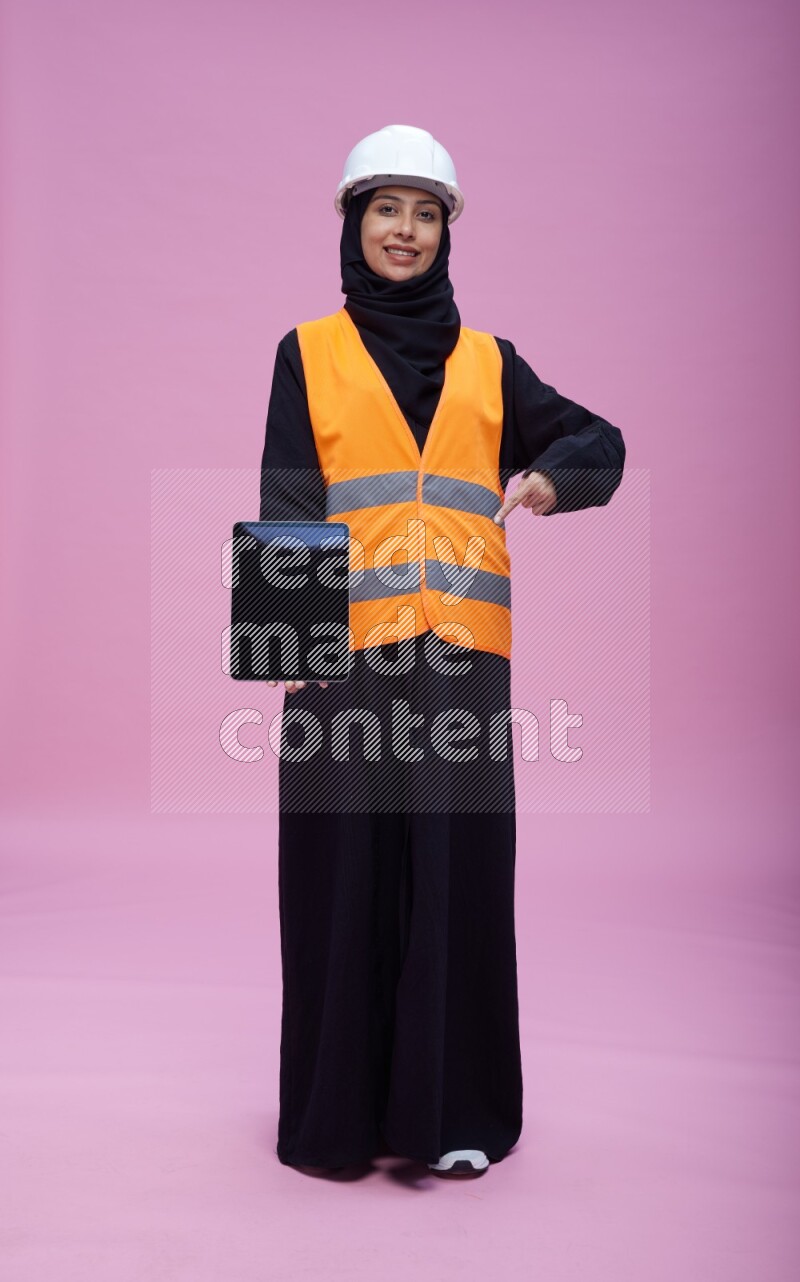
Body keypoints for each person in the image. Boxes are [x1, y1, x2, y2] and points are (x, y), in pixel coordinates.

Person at [259, 124, 626, 1178]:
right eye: (385, 209)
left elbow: (595, 438)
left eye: (424, 213)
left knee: (455, 878)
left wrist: (554, 476)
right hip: (339, 663)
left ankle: (448, 1119)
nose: (404, 231)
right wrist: (290, 643)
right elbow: (287, 494)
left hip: (462, 659)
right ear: (352, 221)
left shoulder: (490, 362)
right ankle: (334, 1125)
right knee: (338, 881)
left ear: (445, 231)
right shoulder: (306, 352)